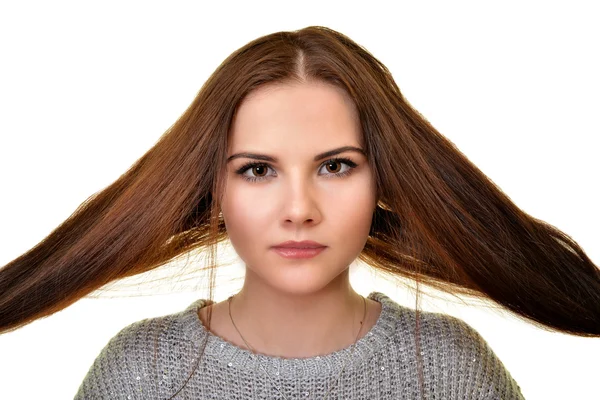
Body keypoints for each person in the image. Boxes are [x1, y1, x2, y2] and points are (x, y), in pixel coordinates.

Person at [1, 25, 598, 399]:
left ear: (384, 179)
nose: (299, 210)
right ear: (214, 189)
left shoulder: (451, 370)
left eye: (335, 166)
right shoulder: (140, 374)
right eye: (258, 170)